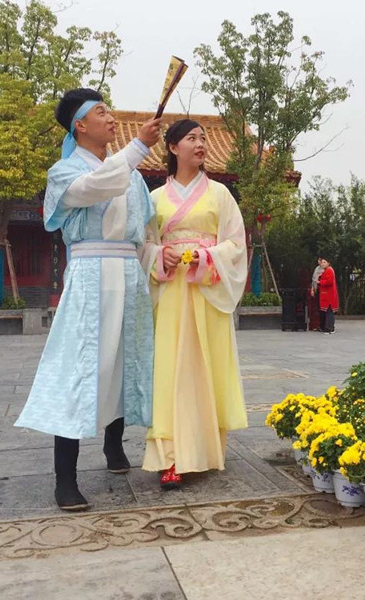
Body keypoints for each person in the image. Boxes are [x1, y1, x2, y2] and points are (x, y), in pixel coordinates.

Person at [14, 89, 162, 511]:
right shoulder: (65, 172)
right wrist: (138, 148)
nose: (111, 117)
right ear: (79, 125)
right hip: (90, 272)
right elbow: (97, 186)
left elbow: (144, 234)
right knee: (81, 368)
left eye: (110, 110)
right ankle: (65, 477)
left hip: (128, 272)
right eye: (101, 112)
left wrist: (158, 257)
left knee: (125, 360)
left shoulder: (133, 176)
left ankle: (114, 445)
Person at [140, 119, 248, 490]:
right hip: (172, 293)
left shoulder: (220, 194)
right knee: (171, 369)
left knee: (206, 366)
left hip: (207, 289)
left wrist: (207, 256)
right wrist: (159, 255)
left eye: (203, 138)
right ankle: (169, 455)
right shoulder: (155, 198)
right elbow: (143, 244)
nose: (200, 144)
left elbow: (236, 243)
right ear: (173, 147)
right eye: (191, 138)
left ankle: (205, 449)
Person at [317, 257, 339, 334]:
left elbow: (329, 282)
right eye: (322, 262)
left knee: (329, 311)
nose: (323, 264)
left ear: (328, 263)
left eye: (324, 262)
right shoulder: (327, 270)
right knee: (327, 311)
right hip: (326, 294)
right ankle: (329, 327)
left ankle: (330, 328)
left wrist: (320, 282)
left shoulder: (329, 270)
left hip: (329, 295)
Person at [309, 257, 324, 331]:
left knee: (322, 308)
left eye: (320, 260)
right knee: (316, 307)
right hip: (316, 289)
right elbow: (313, 279)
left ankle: (322, 325)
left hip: (322, 290)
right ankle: (316, 325)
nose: (319, 261)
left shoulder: (325, 270)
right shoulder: (317, 268)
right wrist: (312, 289)